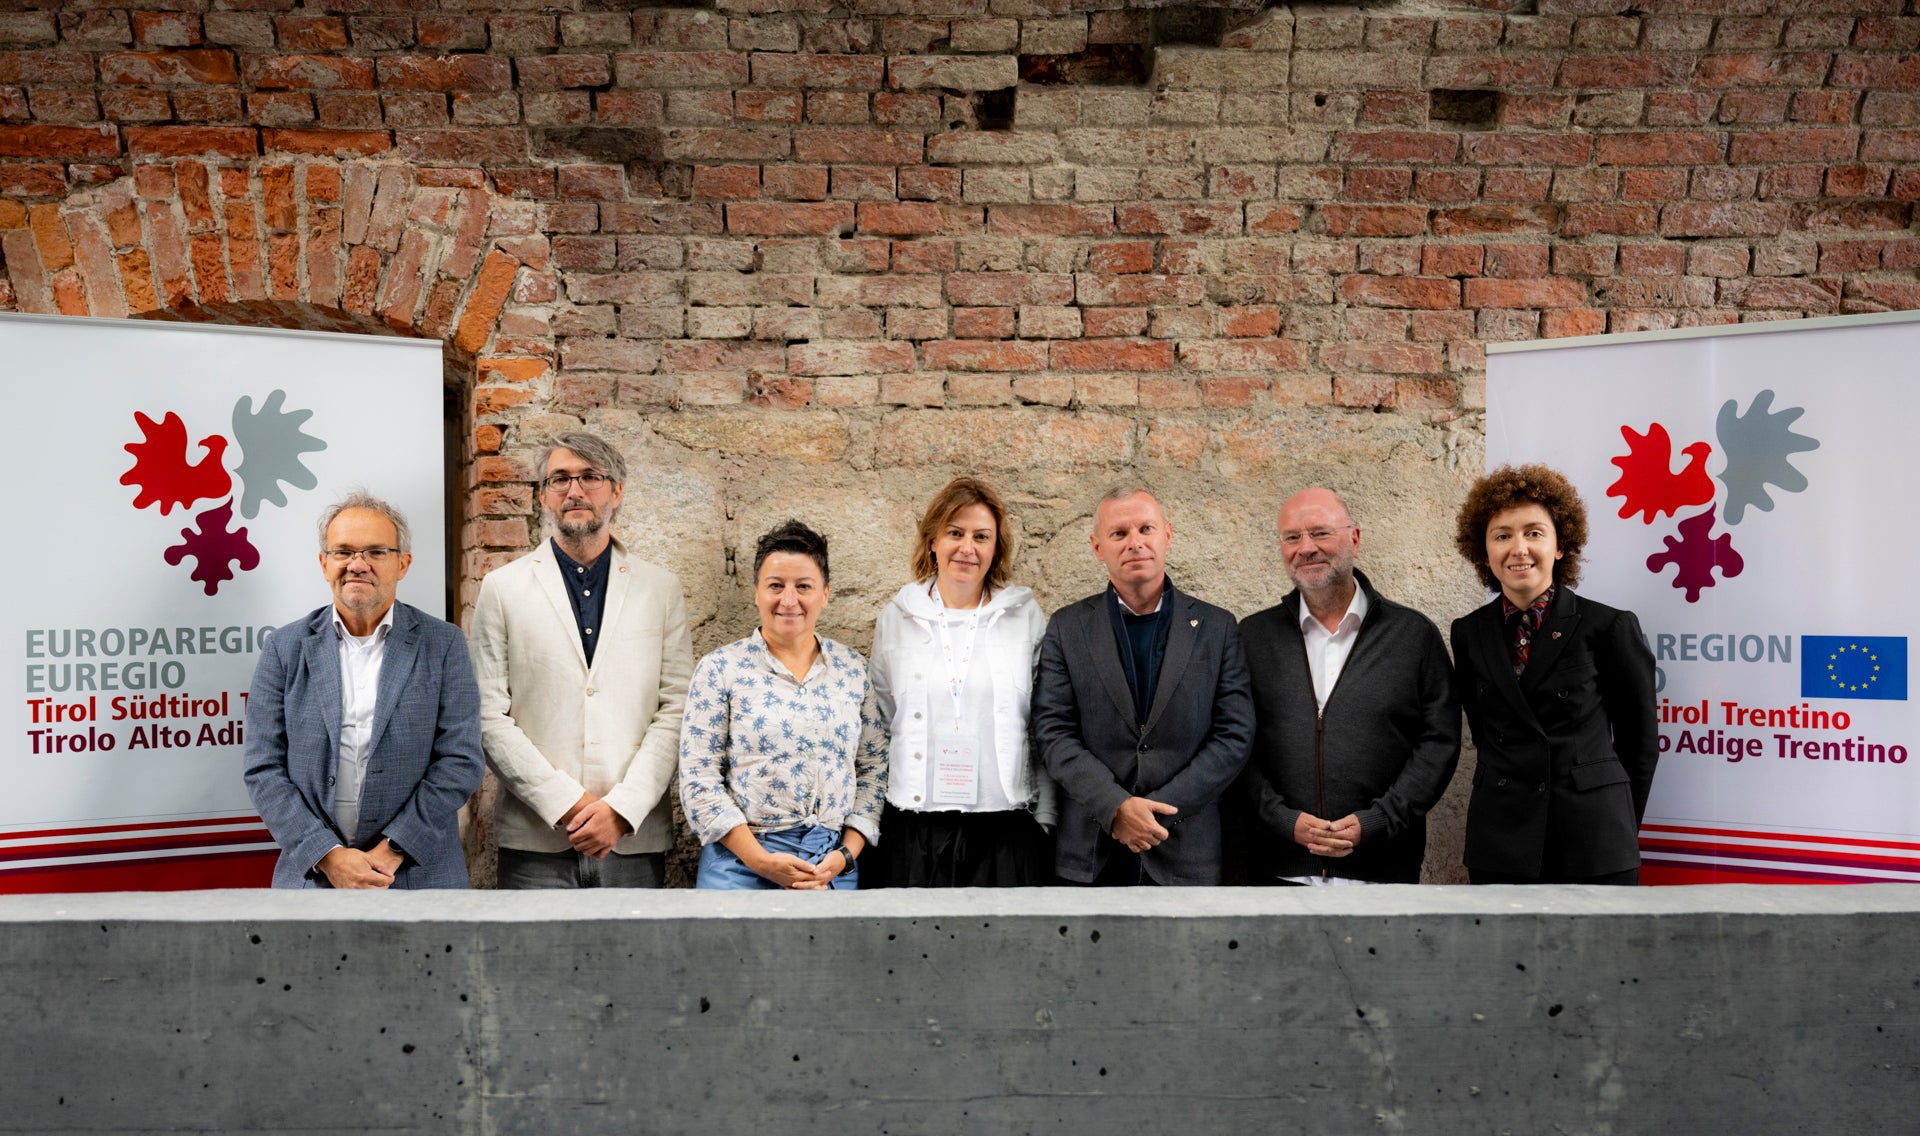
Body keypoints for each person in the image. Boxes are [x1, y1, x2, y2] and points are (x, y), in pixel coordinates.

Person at [468, 432, 693, 889]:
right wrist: (567, 804)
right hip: (536, 841)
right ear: (542, 496)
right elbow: (487, 715)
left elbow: (677, 709)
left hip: (631, 837)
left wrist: (621, 809)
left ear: (617, 492)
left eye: (590, 477)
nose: (575, 490)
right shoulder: (502, 588)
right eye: (560, 479)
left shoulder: (660, 589)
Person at [244, 493, 483, 889]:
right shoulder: (284, 649)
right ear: (324, 563)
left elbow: (461, 760)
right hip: (315, 878)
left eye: (376, 551)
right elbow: (263, 767)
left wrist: (392, 850)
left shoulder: (443, 645)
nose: (357, 564)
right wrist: (327, 855)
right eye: (343, 552)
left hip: (418, 876)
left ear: (403, 563)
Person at [1032, 487, 1255, 886]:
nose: (1134, 542)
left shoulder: (1217, 628)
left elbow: (1234, 735)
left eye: (1145, 529)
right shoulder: (1067, 628)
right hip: (1092, 853)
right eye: (1119, 533)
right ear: (1097, 547)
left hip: (1185, 853)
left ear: (1167, 534)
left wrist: (1156, 812)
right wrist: (1115, 807)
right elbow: (1053, 731)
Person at [1238, 488, 1459, 885]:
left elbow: (1439, 741)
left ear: (1354, 538)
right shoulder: (1252, 637)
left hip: (1383, 873)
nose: (1306, 548)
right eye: (1292, 537)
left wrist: (1379, 820)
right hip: (1278, 875)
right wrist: (1281, 819)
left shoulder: (1412, 635)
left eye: (1320, 533)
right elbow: (1235, 741)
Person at [1450, 464, 1659, 885]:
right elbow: (1485, 735)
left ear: (1561, 545)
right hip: (1502, 839)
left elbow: (1640, 746)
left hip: (1593, 840)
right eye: (1502, 536)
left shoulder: (1609, 626)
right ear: (1484, 551)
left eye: (1534, 533)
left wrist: (1617, 824)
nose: (1518, 549)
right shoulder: (1468, 633)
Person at [867, 477, 1053, 887]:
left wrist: (1045, 819)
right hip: (915, 825)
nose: (967, 547)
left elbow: (1042, 725)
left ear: (995, 548)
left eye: (981, 537)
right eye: (955, 533)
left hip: (1004, 826)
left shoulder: (1024, 616)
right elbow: (882, 720)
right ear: (933, 540)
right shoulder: (897, 617)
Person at [679, 520, 886, 890]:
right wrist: (761, 861)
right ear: (757, 593)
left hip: (830, 867)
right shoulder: (720, 669)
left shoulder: (853, 669)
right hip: (740, 865)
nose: (789, 600)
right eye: (775, 586)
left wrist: (845, 855)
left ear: (825, 593)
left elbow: (873, 769)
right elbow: (699, 778)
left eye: (803, 586)